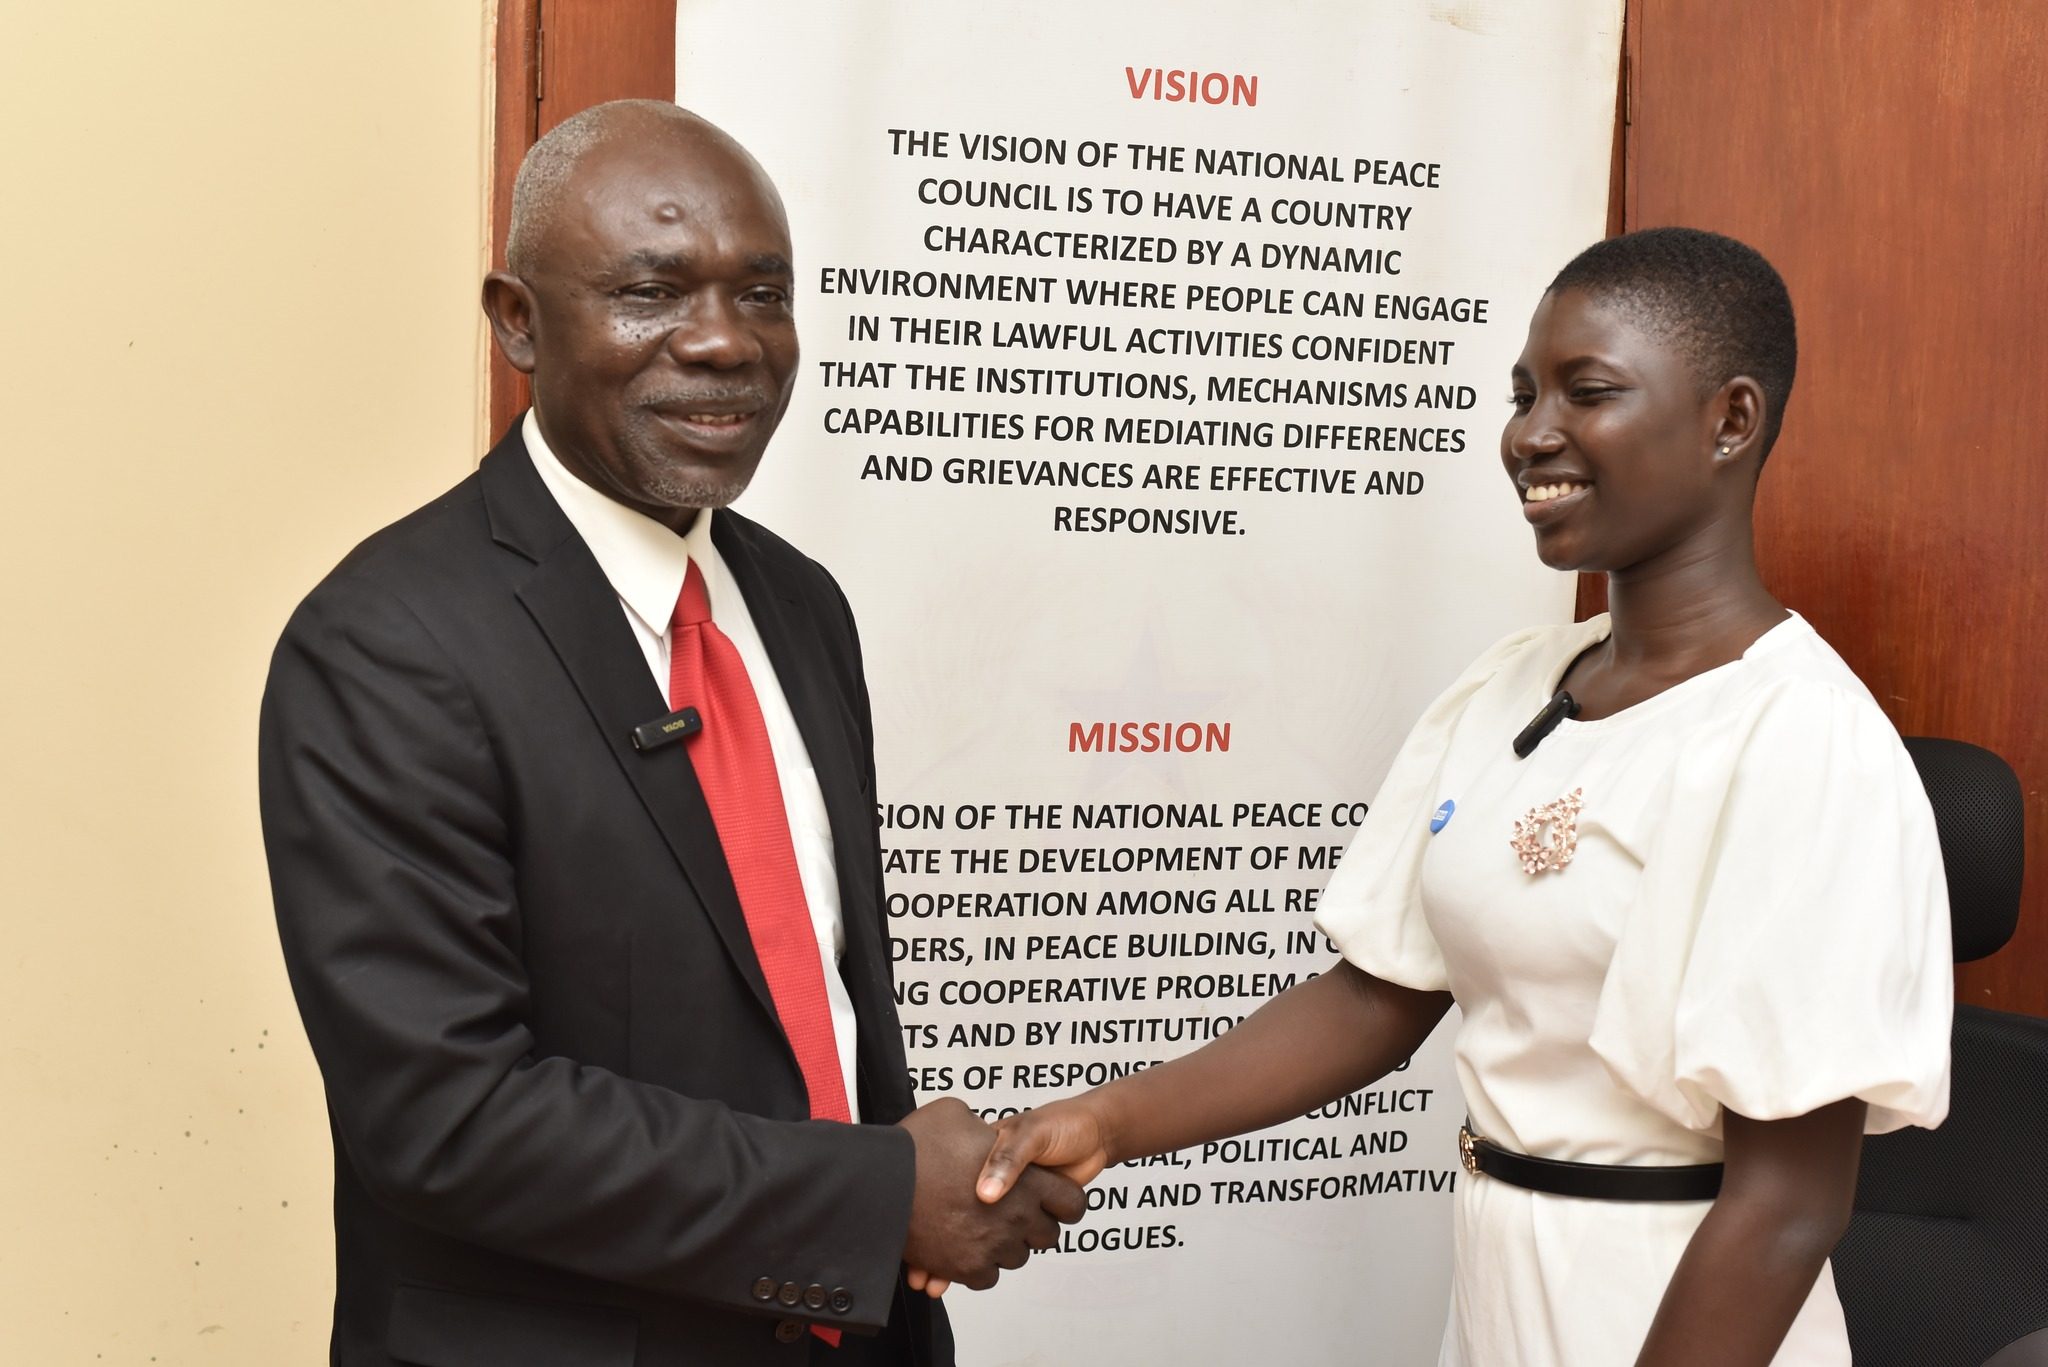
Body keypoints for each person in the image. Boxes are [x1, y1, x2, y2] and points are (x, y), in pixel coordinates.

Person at [951, 228, 1953, 1365]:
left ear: (1728, 420)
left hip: (1672, 1310)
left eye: (1587, 391)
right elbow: (1374, 999)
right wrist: (1107, 1120)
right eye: (1522, 393)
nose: (1530, 434)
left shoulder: (1796, 740)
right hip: (1491, 1290)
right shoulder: (1512, 685)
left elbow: (1786, 1208)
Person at [259, 100, 1081, 1367]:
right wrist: (868, 1200)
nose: (720, 342)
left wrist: (893, 1232)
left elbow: (810, 1014)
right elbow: (446, 1115)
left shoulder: (800, 605)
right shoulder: (388, 642)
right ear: (518, 321)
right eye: (651, 291)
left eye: (763, 293)